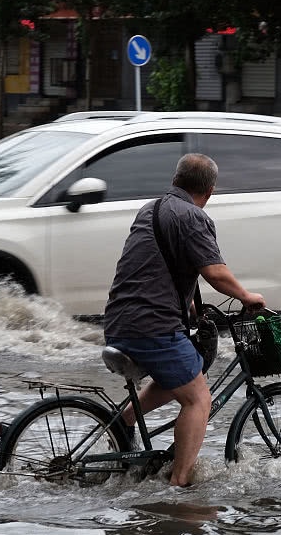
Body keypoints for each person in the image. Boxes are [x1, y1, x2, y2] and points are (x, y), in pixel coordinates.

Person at [103, 153, 266, 487]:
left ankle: (123, 423)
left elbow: (156, 264)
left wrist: (189, 305)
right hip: (152, 324)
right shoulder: (193, 216)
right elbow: (215, 273)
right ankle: (180, 483)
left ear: (176, 180)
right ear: (209, 191)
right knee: (198, 398)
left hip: (119, 320)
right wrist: (248, 297)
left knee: (179, 374)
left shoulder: (151, 209)